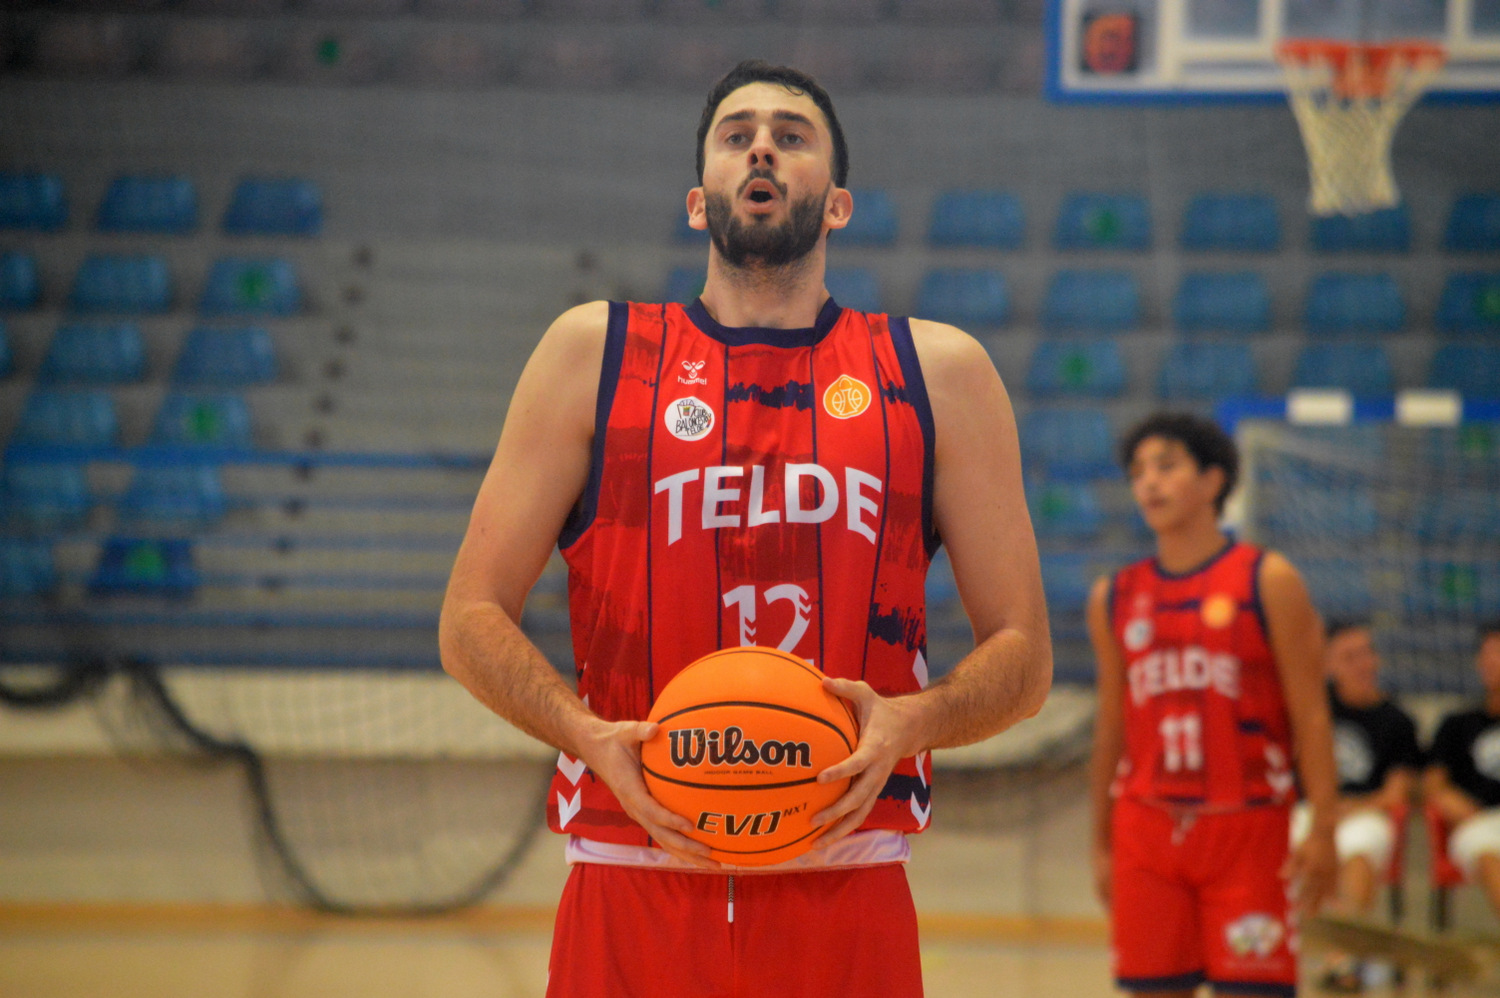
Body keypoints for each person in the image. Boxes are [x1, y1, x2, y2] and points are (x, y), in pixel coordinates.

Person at [439, 60, 1052, 998]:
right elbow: (470, 616)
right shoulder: (590, 354)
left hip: (847, 878)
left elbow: (1024, 654)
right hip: (630, 870)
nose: (762, 145)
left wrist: (914, 721)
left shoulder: (938, 373)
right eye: (736, 135)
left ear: (838, 205)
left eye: (792, 135)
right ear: (698, 200)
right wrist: (582, 731)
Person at [1088, 411, 1339, 998]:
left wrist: (1324, 826)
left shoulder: (1268, 580)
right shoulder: (1115, 595)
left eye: (1167, 466)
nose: (1148, 481)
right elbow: (1111, 729)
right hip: (1146, 830)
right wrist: (1100, 841)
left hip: (1248, 828)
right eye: (1138, 471)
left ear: (1214, 480)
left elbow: (1312, 715)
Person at [1298, 619, 1421, 991]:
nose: (1362, 663)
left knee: (1358, 848)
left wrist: (1352, 808)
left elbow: (1397, 792)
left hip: (1368, 811)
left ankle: (1343, 956)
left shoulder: (1397, 720)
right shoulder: (1311, 708)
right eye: (1350, 656)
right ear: (1329, 664)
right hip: (1310, 808)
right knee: (1286, 844)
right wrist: (1324, 809)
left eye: (1367, 653)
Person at [1422, 622, 1500, 917]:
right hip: (1478, 822)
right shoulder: (1457, 724)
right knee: (1487, 850)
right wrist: (1467, 812)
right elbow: (1433, 785)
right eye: (1489, 654)